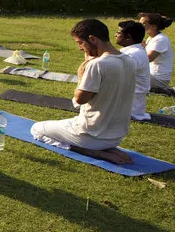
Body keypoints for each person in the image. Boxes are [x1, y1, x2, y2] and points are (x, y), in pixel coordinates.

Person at [30, 19, 136, 165]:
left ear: (92, 39)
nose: (80, 48)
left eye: (80, 43)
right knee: (63, 124)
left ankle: (90, 151)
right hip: (116, 136)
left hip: (90, 136)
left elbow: (80, 100)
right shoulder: (130, 60)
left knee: (37, 129)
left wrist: (81, 75)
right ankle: (107, 149)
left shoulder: (98, 64)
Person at [116, 20, 151, 121]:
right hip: (129, 99)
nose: (115, 35)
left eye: (118, 33)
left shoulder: (133, 54)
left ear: (128, 37)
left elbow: (114, 76)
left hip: (130, 104)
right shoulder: (131, 50)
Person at [138, 12, 175, 93]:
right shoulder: (151, 38)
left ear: (154, 26)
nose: (139, 26)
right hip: (152, 75)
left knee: (127, 75)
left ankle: (160, 90)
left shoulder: (160, 39)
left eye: (143, 24)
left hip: (158, 79)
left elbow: (148, 58)